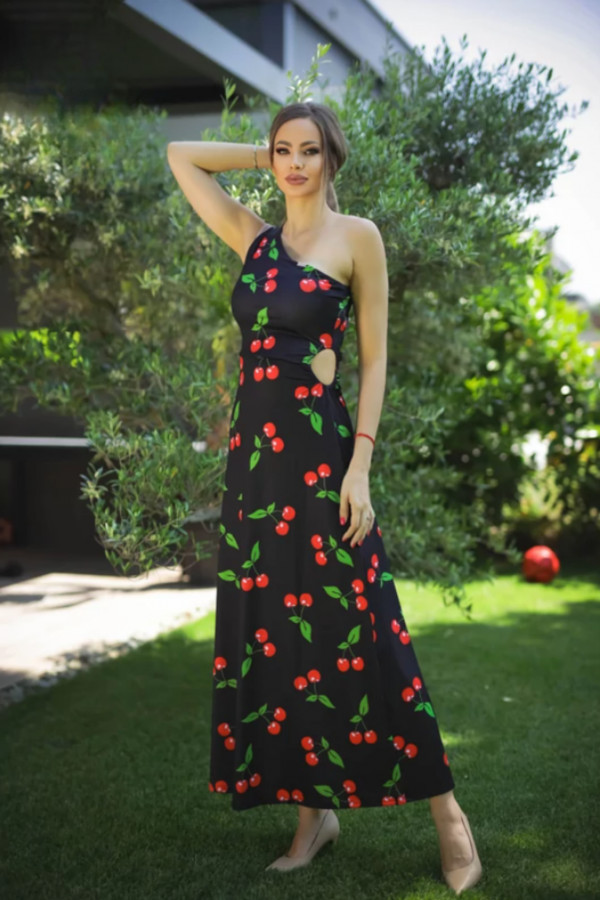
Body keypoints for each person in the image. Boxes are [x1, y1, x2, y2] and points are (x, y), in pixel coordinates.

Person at [167, 101, 482, 892]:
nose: (296, 163)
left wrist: (360, 467)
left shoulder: (358, 238)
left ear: (332, 158)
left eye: (310, 150)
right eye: (285, 151)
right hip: (255, 470)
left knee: (370, 627)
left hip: (324, 460)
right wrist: (261, 153)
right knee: (278, 635)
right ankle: (314, 817)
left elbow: (374, 360)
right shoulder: (254, 238)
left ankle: (449, 815)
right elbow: (180, 156)